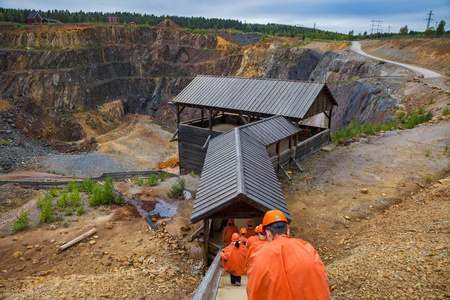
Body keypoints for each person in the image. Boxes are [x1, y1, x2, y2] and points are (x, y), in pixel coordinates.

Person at [246, 210, 331, 300]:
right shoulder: (307, 249)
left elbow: (254, 290)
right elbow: (321, 282)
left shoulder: (260, 255)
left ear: (268, 233)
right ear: (288, 231)